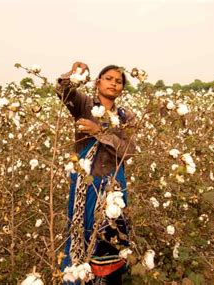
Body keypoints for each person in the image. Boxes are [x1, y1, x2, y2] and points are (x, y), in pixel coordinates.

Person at [55, 62, 136, 285]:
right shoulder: (84, 105)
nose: (113, 83)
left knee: (110, 234)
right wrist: (72, 74)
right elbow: (63, 91)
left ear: (122, 88)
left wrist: (99, 131)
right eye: (108, 78)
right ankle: (81, 277)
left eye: (118, 81)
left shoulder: (126, 116)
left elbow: (128, 151)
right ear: (98, 82)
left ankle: (107, 278)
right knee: (82, 231)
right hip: (85, 183)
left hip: (113, 185)